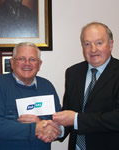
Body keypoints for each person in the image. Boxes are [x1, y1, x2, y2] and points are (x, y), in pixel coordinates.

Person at [39, 22, 119, 150]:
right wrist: (57, 128)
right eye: (87, 44)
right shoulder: (73, 72)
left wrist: (76, 119)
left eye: (99, 43)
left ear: (110, 44)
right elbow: (69, 110)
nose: (93, 49)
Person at [0, 42, 61, 150]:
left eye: (32, 59)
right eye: (21, 59)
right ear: (12, 62)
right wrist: (34, 129)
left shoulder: (47, 87)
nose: (27, 63)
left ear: (40, 64)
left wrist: (47, 126)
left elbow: (58, 122)